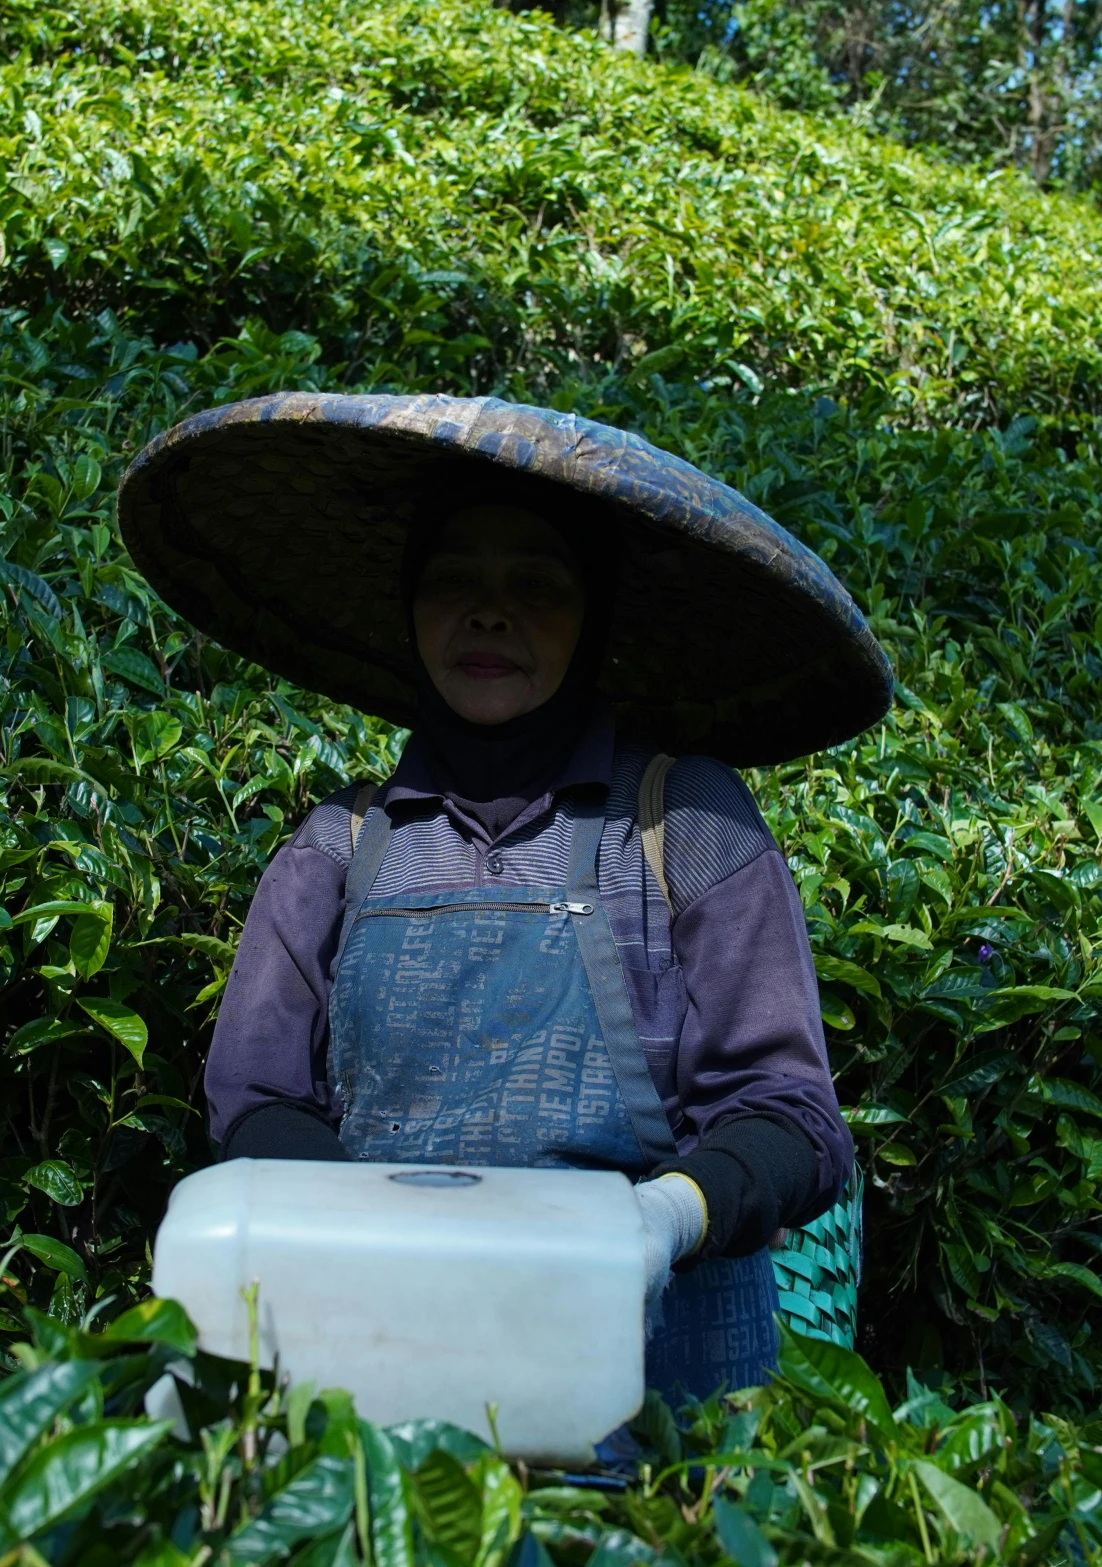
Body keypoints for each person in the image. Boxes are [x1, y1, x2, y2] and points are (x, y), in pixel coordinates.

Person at [119, 393, 892, 1402]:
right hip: (385, 1360)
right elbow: (257, 1102)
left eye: (537, 583)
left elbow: (789, 1115)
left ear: (594, 615)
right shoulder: (337, 847)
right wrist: (391, 1227)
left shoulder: (684, 819)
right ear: (409, 609)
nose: (489, 613)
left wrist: (666, 1217)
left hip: (659, 1381)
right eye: (452, 582)